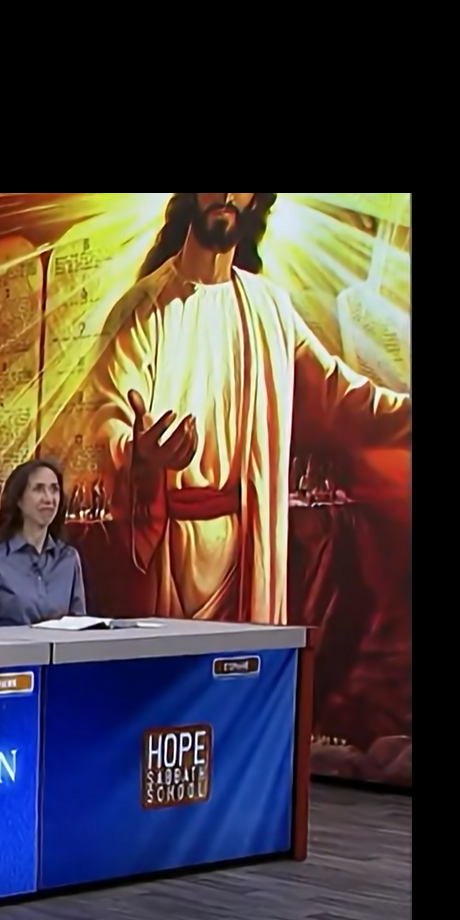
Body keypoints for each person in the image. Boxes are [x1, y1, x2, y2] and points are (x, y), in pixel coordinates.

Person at [78, 192, 410, 622]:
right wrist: (141, 452)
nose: (227, 196)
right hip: (174, 552)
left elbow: (341, 396)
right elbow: (109, 415)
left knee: (247, 660)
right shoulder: (144, 308)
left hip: (252, 543)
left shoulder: (268, 307)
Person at [0, 457, 88, 625]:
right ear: (19, 500)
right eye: (38, 489)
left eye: (54, 489)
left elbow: (78, 627)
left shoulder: (69, 560)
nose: (49, 498)